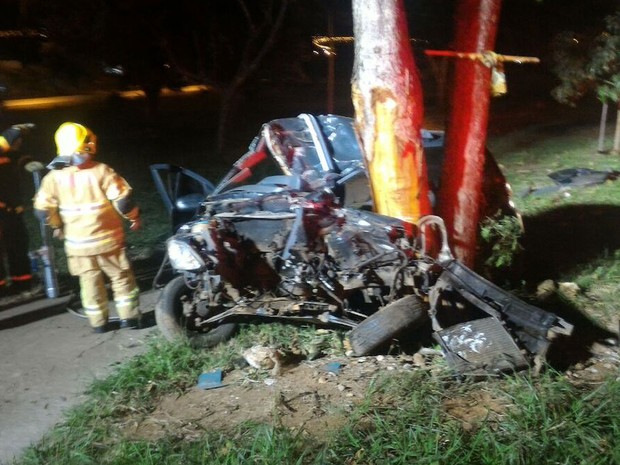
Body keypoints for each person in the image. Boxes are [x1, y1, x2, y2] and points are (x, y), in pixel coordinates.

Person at [33, 122, 142, 332]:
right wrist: (134, 217)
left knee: (89, 283)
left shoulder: (53, 178)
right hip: (108, 241)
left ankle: (99, 323)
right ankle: (129, 319)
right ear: (87, 144)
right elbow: (123, 202)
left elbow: (42, 211)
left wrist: (56, 225)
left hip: (78, 246)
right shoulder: (102, 171)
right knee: (121, 278)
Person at [0, 123, 36, 297]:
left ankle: (21, 283)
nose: (20, 143)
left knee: (18, 245)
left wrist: (29, 163)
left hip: (12, 210)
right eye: (18, 140)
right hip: (4, 210)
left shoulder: (9, 154)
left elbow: (20, 158)